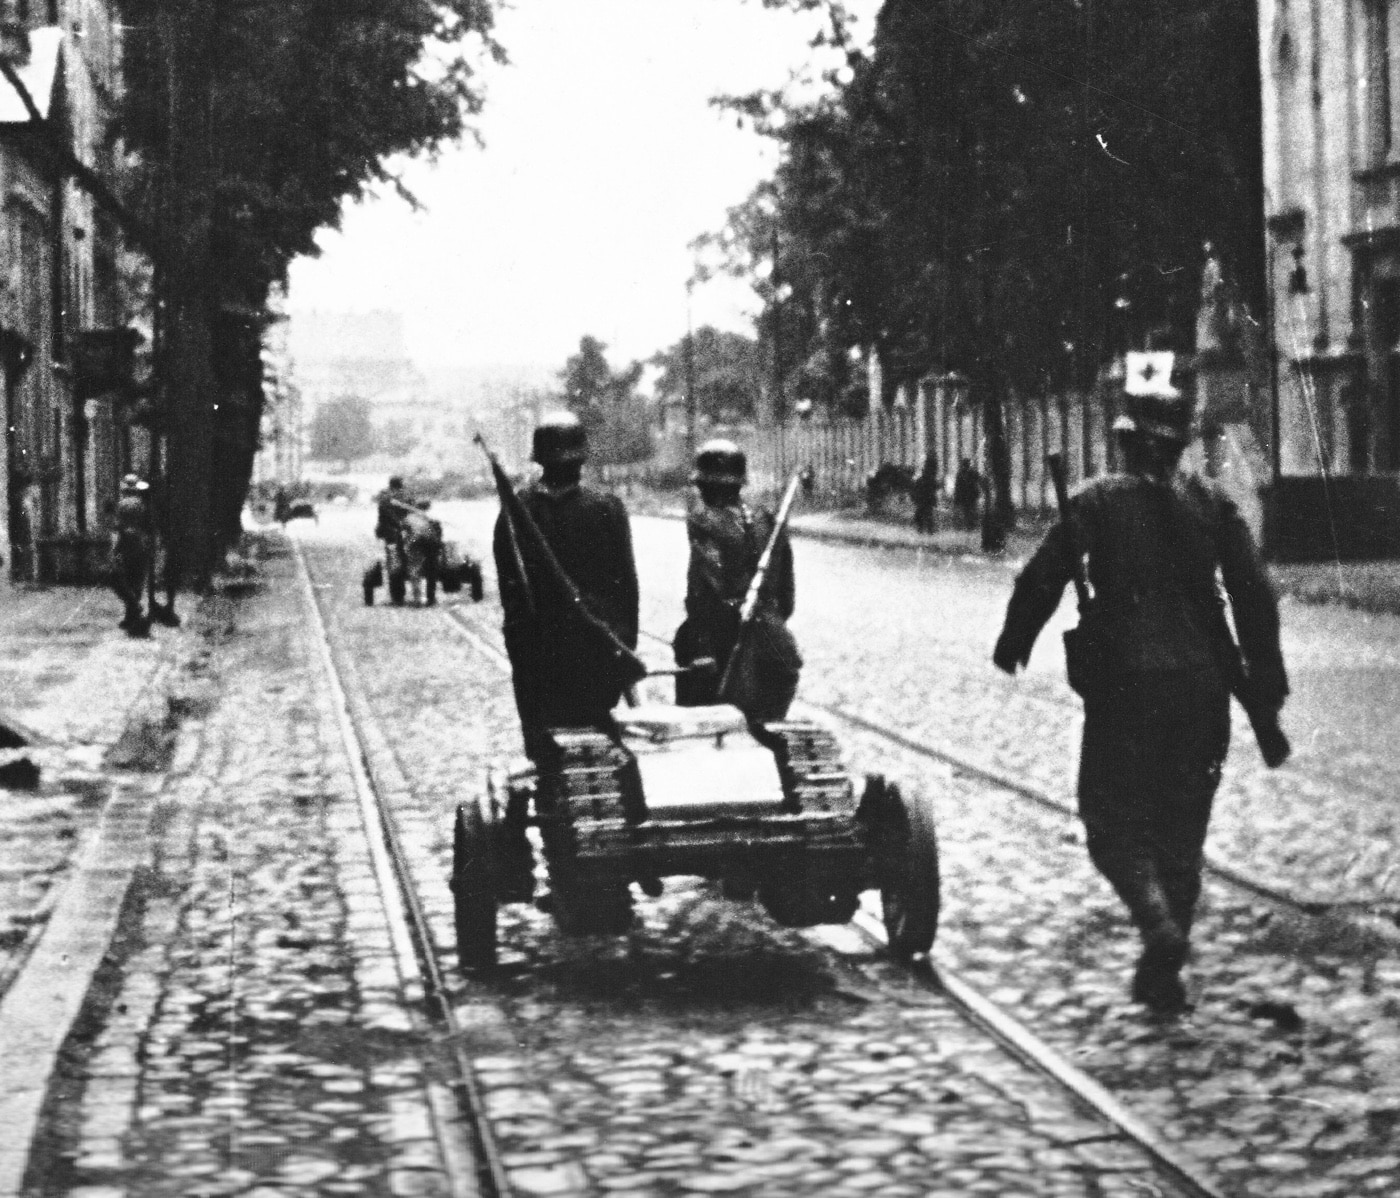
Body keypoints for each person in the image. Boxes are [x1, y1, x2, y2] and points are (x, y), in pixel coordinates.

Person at [992, 361, 1288, 1014]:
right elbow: (1254, 593)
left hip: (1125, 690)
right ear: (1179, 445)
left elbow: (1044, 576)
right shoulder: (1212, 504)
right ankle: (1165, 975)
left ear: (1126, 442)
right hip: (1204, 690)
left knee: (1110, 820)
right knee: (1182, 832)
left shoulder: (1096, 501)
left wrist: (1014, 644)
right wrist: (1265, 683)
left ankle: (1157, 927)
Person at [493, 412, 640, 758]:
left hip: (539, 648)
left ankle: (552, 804)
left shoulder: (517, 511)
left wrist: (520, 642)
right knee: (599, 740)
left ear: (539, 459)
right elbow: (626, 589)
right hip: (597, 644)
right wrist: (622, 643)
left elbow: (509, 589)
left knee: (546, 742)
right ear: (582, 458)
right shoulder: (606, 507)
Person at [674, 438, 800, 723]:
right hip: (775, 648)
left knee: (701, 733)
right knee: (770, 726)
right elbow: (787, 597)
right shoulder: (769, 520)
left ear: (705, 486)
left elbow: (702, 594)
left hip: (720, 648)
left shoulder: (705, 524)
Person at [110, 473, 153, 637]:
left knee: (124, 578)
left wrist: (115, 549)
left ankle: (132, 610)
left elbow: (117, 526)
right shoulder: (142, 504)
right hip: (141, 543)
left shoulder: (121, 505)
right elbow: (148, 525)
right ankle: (133, 611)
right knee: (137, 580)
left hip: (126, 543)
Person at [912, 450, 939, 533]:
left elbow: (915, 489)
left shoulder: (920, 480)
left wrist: (915, 499)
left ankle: (924, 529)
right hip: (927, 500)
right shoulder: (929, 479)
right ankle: (928, 530)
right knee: (927, 515)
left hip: (923, 500)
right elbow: (936, 487)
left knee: (923, 514)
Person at [952, 457, 981, 529]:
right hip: (966, 496)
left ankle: (971, 524)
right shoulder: (961, 474)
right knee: (967, 510)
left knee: (970, 510)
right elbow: (957, 486)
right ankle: (969, 525)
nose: (966, 465)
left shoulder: (972, 473)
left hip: (970, 495)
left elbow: (978, 481)